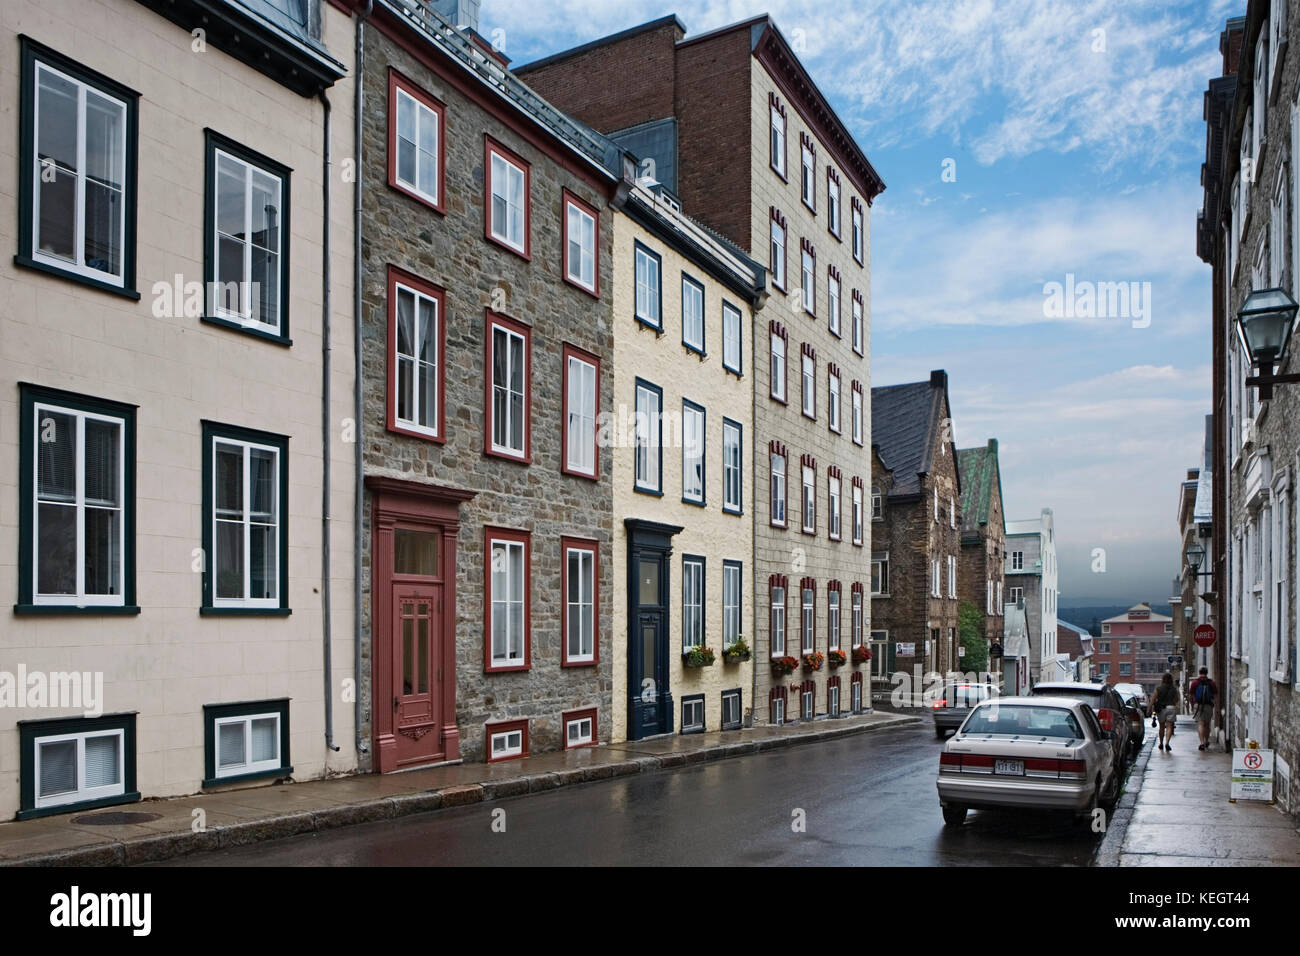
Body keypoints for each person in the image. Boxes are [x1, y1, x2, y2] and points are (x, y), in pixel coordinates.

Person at [1188, 666, 1218, 751]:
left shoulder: (1195, 683)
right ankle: (1206, 741)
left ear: (1199, 672)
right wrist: (1215, 706)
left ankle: (1201, 743)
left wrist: (1192, 704)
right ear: (1207, 673)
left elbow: (1191, 695)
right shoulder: (1211, 683)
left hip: (1198, 705)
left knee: (1200, 724)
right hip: (1208, 705)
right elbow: (1215, 695)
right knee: (1207, 724)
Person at [1151, 672, 1179, 751]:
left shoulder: (1158, 688)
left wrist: (1149, 708)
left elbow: (1153, 699)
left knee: (1162, 727)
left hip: (1162, 709)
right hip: (1171, 708)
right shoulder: (1174, 689)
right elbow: (1176, 700)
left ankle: (1161, 743)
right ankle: (1167, 743)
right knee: (1170, 726)